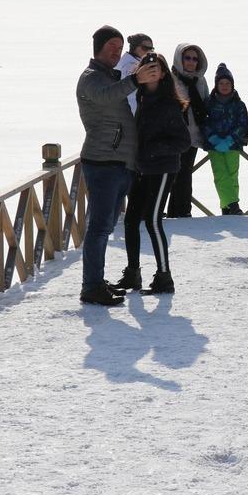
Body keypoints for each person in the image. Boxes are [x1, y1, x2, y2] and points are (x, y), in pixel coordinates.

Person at [76, 25, 159, 306]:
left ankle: (96, 282)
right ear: (97, 47)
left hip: (119, 162)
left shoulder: (109, 77)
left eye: (119, 46)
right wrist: (135, 80)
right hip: (102, 162)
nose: (115, 50)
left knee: (107, 225)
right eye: (111, 45)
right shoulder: (91, 79)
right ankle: (91, 286)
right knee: (99, 228)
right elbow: (106, 96)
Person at [116, 54, 193, 295]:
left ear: (162, 74)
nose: (150, 72)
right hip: (142, 168)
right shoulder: (141, 97)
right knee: (131, 220)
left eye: (155, 68)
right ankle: (132, 273)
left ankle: (164, 276)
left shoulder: (168, 103)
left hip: (162, 169)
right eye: (146, 67)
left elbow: (183, 141)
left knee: (152, 220)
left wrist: (152, 150)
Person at [164, 43, 210, 217]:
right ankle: (174, 211)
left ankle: (181, 211)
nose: (191, 62)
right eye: (187, 58)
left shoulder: (200, 80)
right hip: (174, 135)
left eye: (195, 59)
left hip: (193, 135)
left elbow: (205, 103)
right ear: (179, 59)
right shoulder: (169, 78)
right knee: (173, 174)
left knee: (185, 173)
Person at [202, 63, 248, 215]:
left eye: (227, 83)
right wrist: (213, 138)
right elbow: (203, 122)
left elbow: (243, 123)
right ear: (216, 85)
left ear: (232, 85)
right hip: (214, 146)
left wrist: (231, 139)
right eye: (221, 83)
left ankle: (226, 206)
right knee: (220, 174)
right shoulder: (208, 103)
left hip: (233, 145)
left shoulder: (239, 104)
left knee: (232, 175)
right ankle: (234, 205)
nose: (224, 86)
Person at [116, 33, 154, 116]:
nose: (149, 51)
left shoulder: (125, 62)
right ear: (134, 47)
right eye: (145, 48)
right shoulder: (130, 66)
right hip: (132, 115)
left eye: (151, 49)